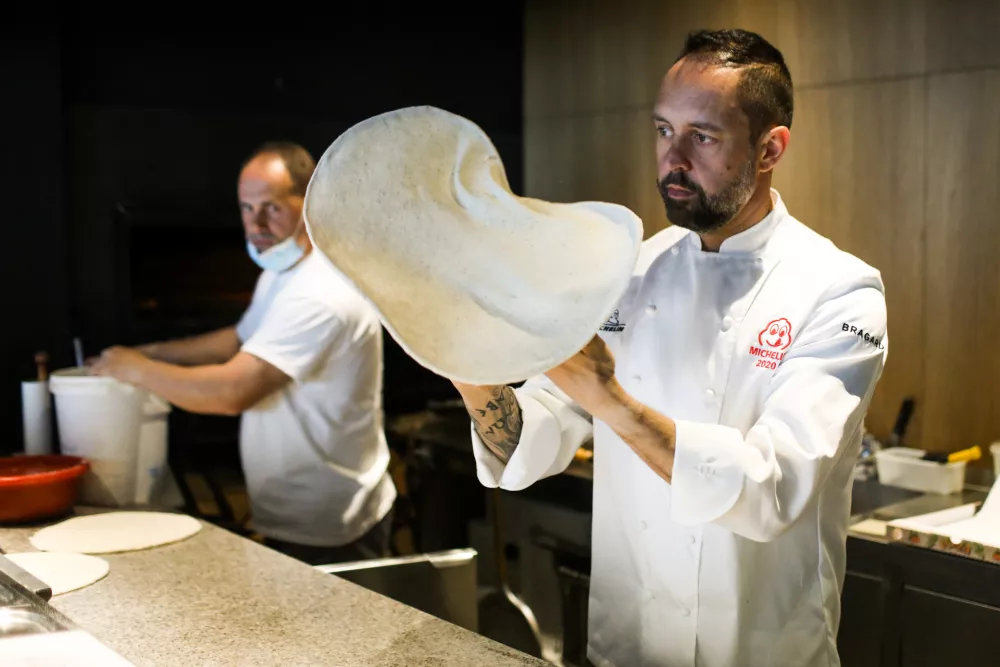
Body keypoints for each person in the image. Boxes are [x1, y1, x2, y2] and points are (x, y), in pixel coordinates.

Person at [453, 30, 887, 667]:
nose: (673, 159)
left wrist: (611, 400)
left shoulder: (839, 290)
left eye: (702, 137)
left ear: (771, 148)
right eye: (663, 131)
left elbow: (773, 489)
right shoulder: (629, 272)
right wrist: (463, 360)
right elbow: (533, 437)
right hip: (627, 644)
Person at [91, 142, 396, 565]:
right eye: (246, 208)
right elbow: (239, 339)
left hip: (328, 521)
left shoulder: (322, 291)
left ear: (310, 201)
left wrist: (138, 369)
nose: (255, 224)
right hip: (291, 513)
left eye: (270, 208)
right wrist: (150, 350)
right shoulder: (283, 270)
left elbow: (233, 391)